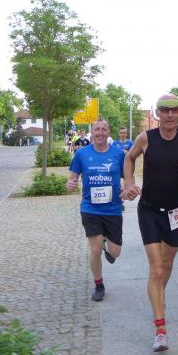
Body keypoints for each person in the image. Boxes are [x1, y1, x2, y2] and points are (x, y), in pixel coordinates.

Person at [122, 93, 178, 352]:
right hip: (149, 211)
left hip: (177, 213)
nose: (170, 114)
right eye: (165, 110)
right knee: (157, 269)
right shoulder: (146, 138)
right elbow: (129, 158)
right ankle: (160, 330)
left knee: (167, 265)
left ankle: (158, 295)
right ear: (158, 113)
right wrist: (129, 184)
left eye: (175, 110)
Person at [67, 119, 125, 302]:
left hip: (113, 209)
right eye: (97, 129)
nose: (100, 132)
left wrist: (127, 188)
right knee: (95, 249)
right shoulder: (81, 154)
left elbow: (128, 177)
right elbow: (72, 178)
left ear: (108, 132)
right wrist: (70, 184)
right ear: (92, 133)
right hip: (90, 208)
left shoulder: (119, 154)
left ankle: (107, 243)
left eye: (103, 129)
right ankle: (99, 285)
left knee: (115, 252)